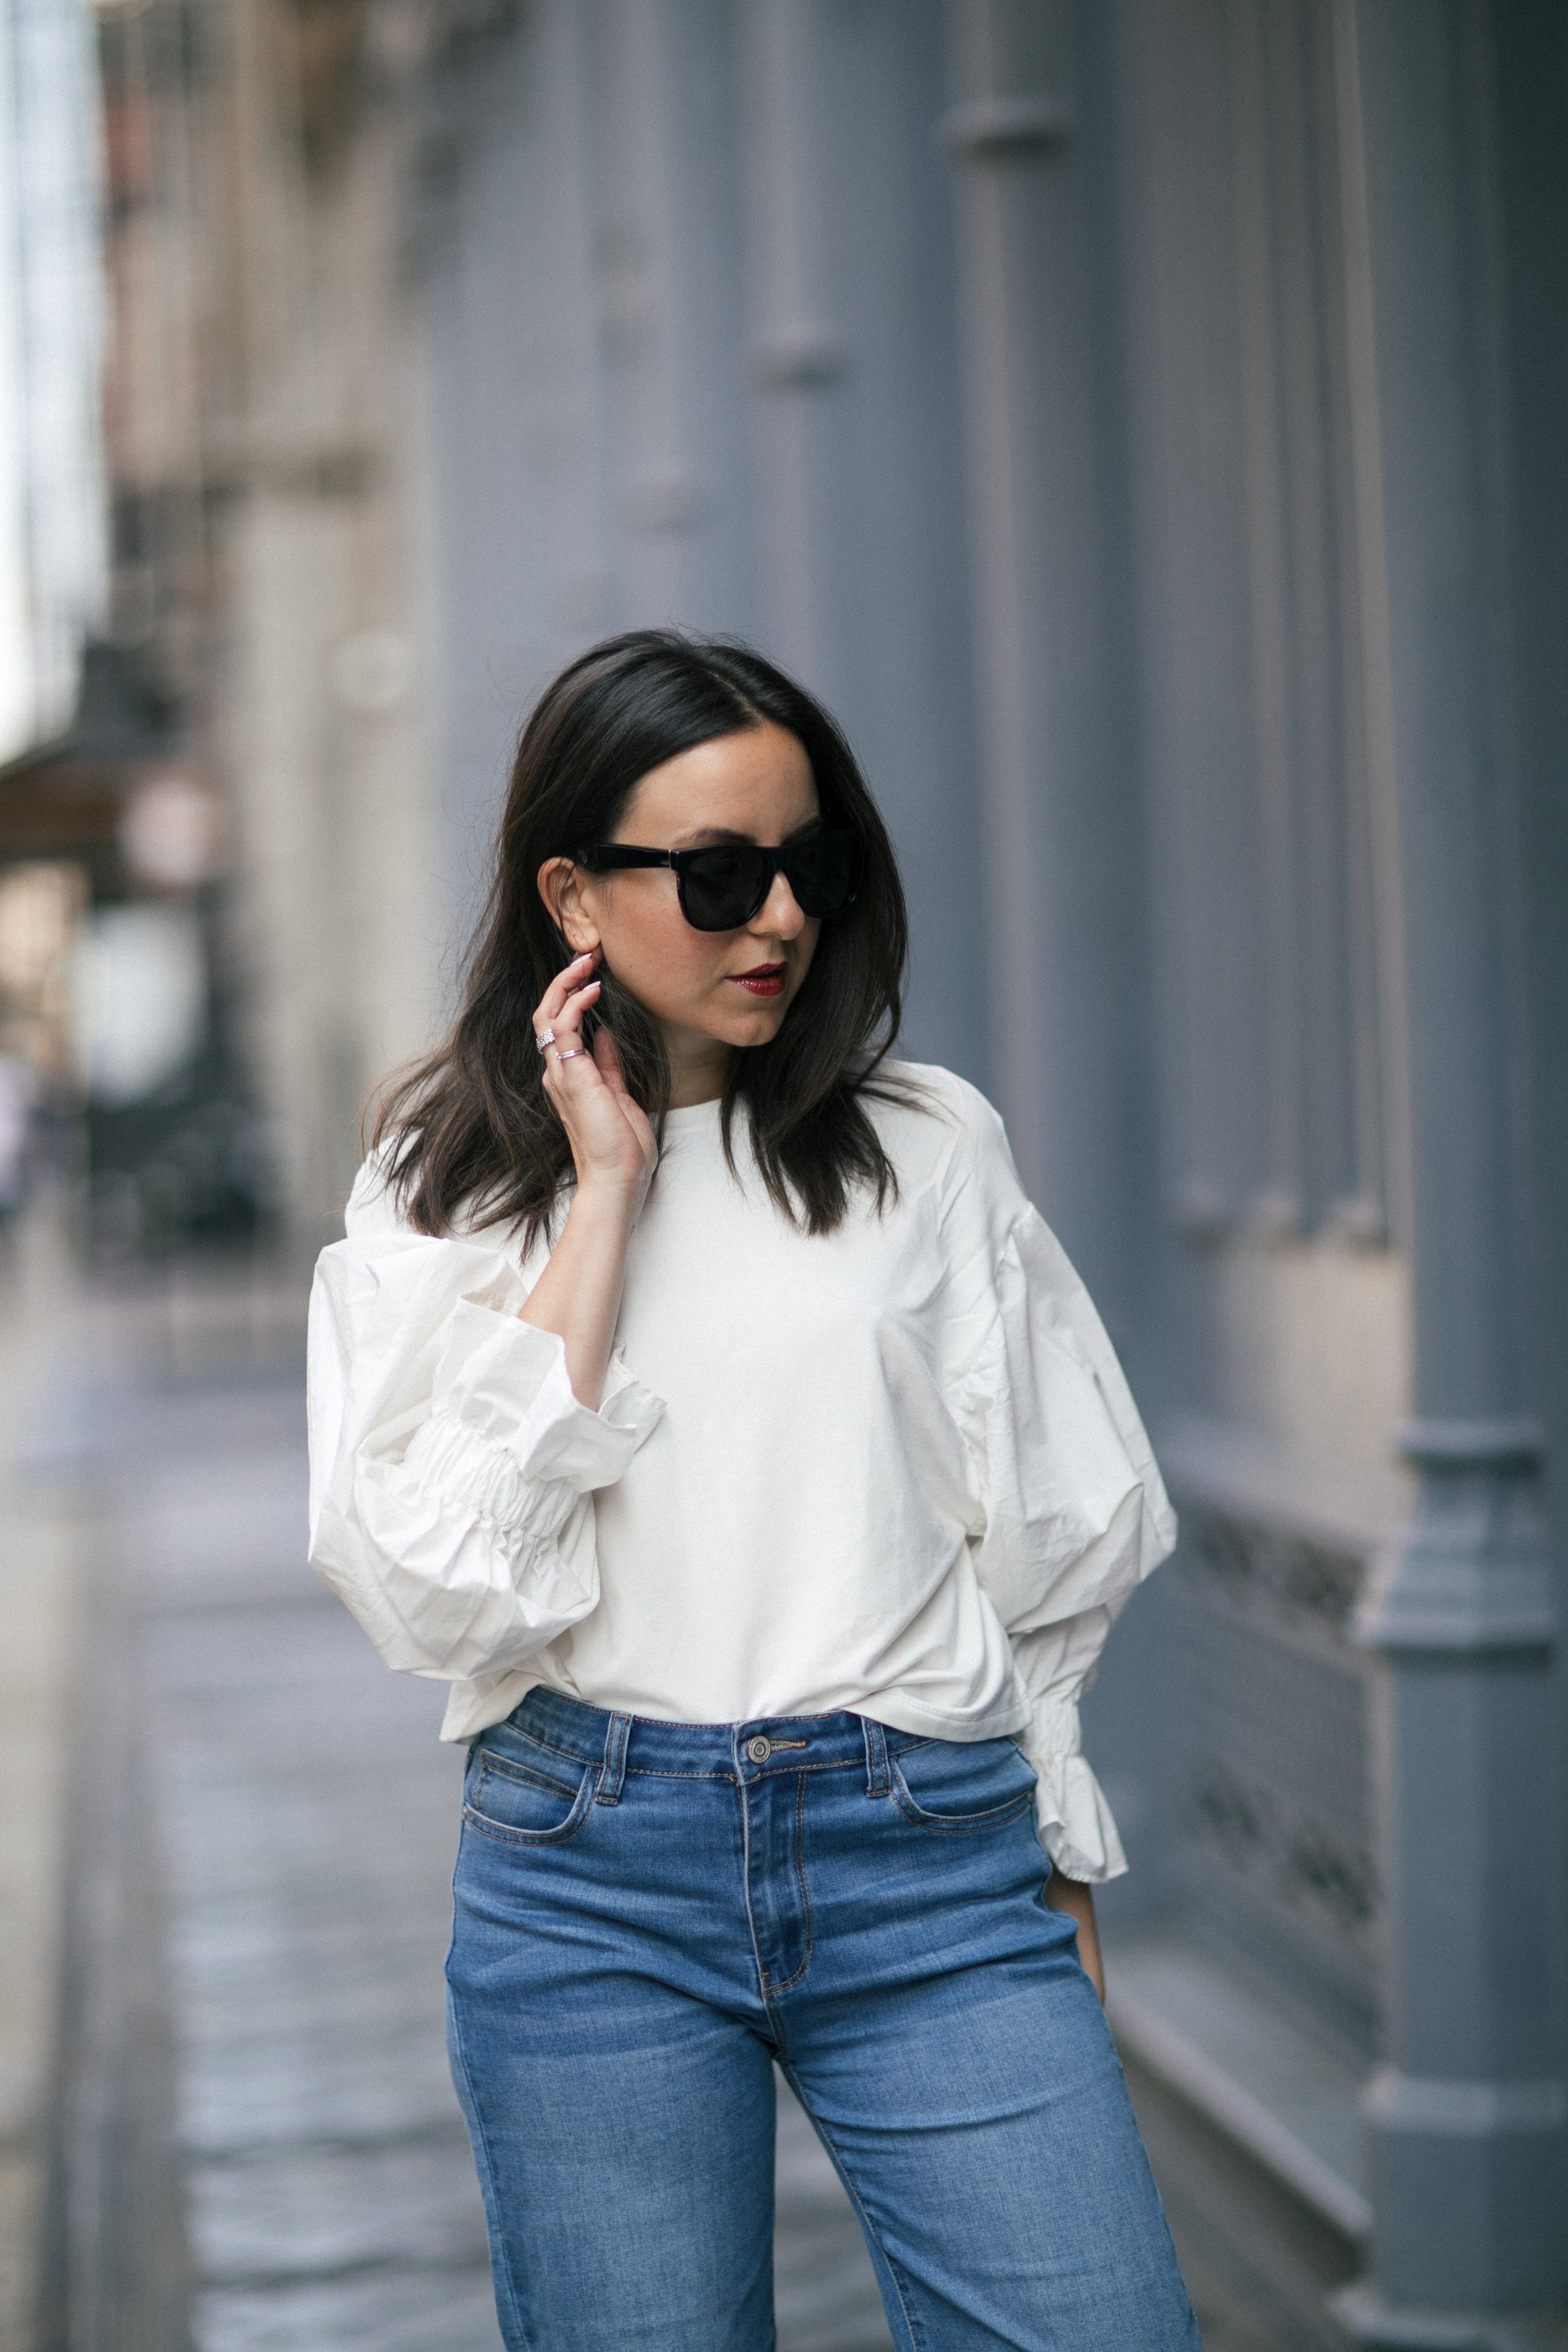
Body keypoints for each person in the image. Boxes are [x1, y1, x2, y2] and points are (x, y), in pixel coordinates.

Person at [307, 632, 1201, 2351]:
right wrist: (599, 1206)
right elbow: (429, 1586)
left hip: (931, 1866)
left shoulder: (925, 1145)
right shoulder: (443, 1193)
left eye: (812, 863)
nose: (779, 917)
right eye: (719, 875)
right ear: (573, 897)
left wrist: (1056, 1841)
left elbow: (1049, 1524)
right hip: (590, 1882)